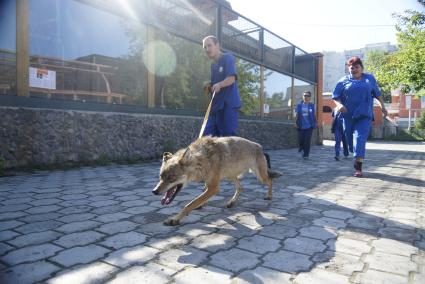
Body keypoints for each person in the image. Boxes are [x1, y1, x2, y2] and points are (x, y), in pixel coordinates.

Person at [332, 56, 387, 177]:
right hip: (348, 116)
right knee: (350, 142)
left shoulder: (369, 79)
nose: (354, 69)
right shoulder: (343, 81)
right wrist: (340, 105)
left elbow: (377, 94)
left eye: (356, 67)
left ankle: (358, 167)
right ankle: (355, 152)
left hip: (364, 115)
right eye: (351, 68)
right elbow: (335, 96)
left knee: (360, 138)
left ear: (362, 68)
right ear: (349, 69)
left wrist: (383, 107)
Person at [201, 35, 241, 137]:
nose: (207, 49)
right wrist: (210, 87)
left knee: (227, 138)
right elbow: (216, 85)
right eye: (205, 47)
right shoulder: (213, 66)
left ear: (217, 45)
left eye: (209, 45)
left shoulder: (228, 57)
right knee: (207, 136)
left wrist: (219, 84)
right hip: (216, 106)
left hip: (228, 105)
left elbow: (231, 78)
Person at [295, 91, 317, 159]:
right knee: (301, 140)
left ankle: (306, 154)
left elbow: (314, 115)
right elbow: (296, 115)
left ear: (310, 97)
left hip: (309, 126)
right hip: (301, 125)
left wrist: (315, 123)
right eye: (304, 95)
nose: (306, 97)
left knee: (307, 141)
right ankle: (301, 147)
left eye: (307, 96)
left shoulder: (312, 105)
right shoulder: (299, 105)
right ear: (303, 96)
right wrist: (295, 123)